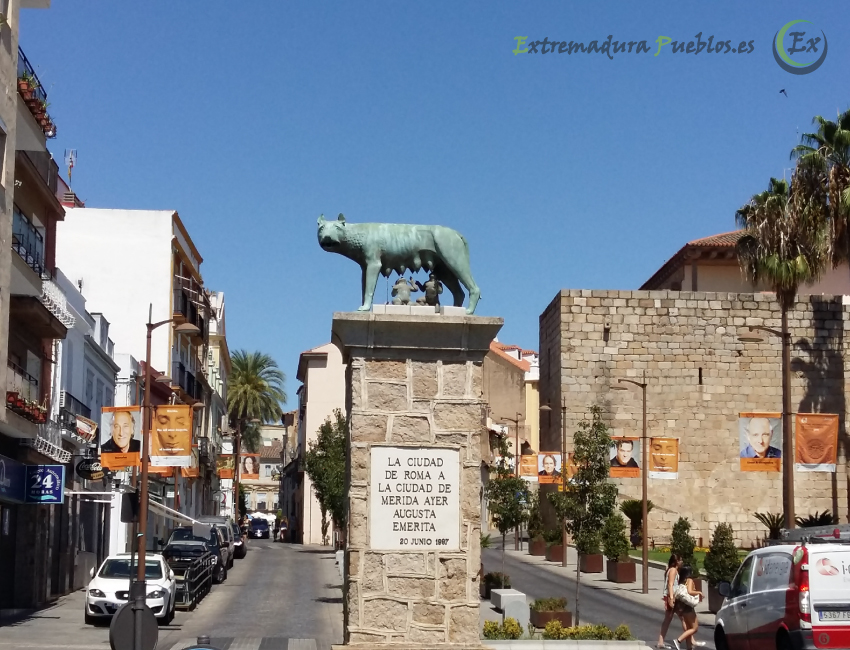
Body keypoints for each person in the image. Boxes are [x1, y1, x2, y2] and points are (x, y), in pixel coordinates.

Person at [673, 565, 705, 650]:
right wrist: (699, 592)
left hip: (683, 608)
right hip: (688, 608)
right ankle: (678, 640)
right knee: (695, 628)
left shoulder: (681, 581)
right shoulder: (689, 580)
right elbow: (690, 591)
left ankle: (689, 647)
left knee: (688, 628)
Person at [657, 553, 682, 649]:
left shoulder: (669, 570)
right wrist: (671, 598)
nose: (681, 562)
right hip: (673, 598)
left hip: (670, 597)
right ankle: (688, 641)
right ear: (676, 561)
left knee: (667, 620)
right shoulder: (673, 571)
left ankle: (660, 642)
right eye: (680, 560)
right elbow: (670, 585)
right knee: (684, 618)